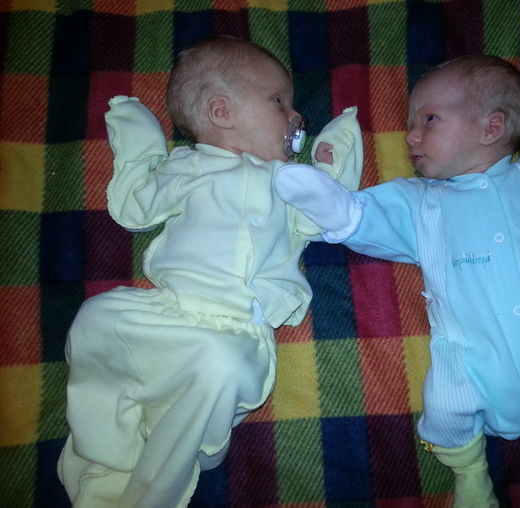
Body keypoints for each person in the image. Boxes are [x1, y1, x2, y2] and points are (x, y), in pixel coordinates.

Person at [275, 55, 520, 508]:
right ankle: (469, 474)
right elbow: (363, 219)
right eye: (410, 124)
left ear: (492, 128)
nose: (410, 135)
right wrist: (330, 205)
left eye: (428, 119)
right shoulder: (420, 202)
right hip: (472, 354)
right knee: (446, 406)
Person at [57, 35, 362, 507]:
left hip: (235, 329)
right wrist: (141, 144)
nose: (296, 115)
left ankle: (182, 456)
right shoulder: (187, 167)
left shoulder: (289, 183)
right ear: (222, 111)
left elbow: (329, 219)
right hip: (169, 311)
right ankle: (109, 445)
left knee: (219, 364)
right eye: (279, 101)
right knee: (97, 317)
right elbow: (135, 207)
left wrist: (333, 159)